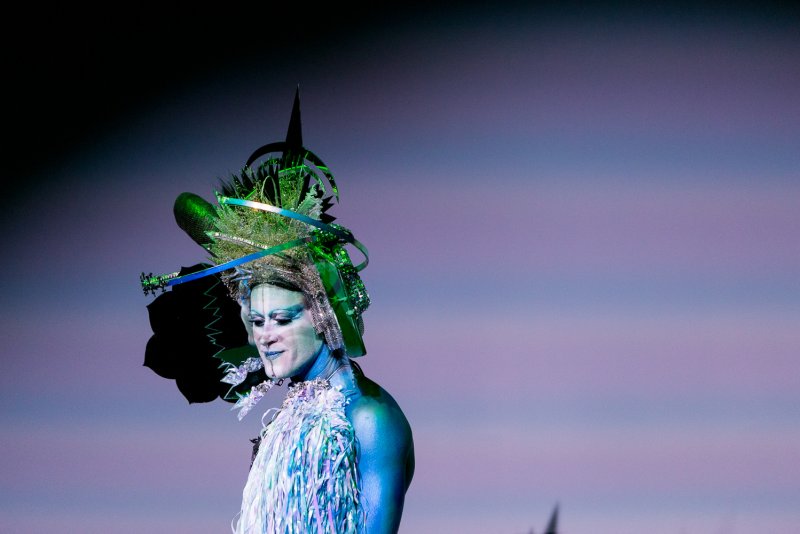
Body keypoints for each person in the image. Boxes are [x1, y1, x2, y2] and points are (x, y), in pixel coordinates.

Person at [140, 91, 414, 533]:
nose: (265, 335)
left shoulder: (369, 419)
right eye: (257, 320)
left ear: (324, 316)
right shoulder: (285, 420)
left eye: (283, 319)